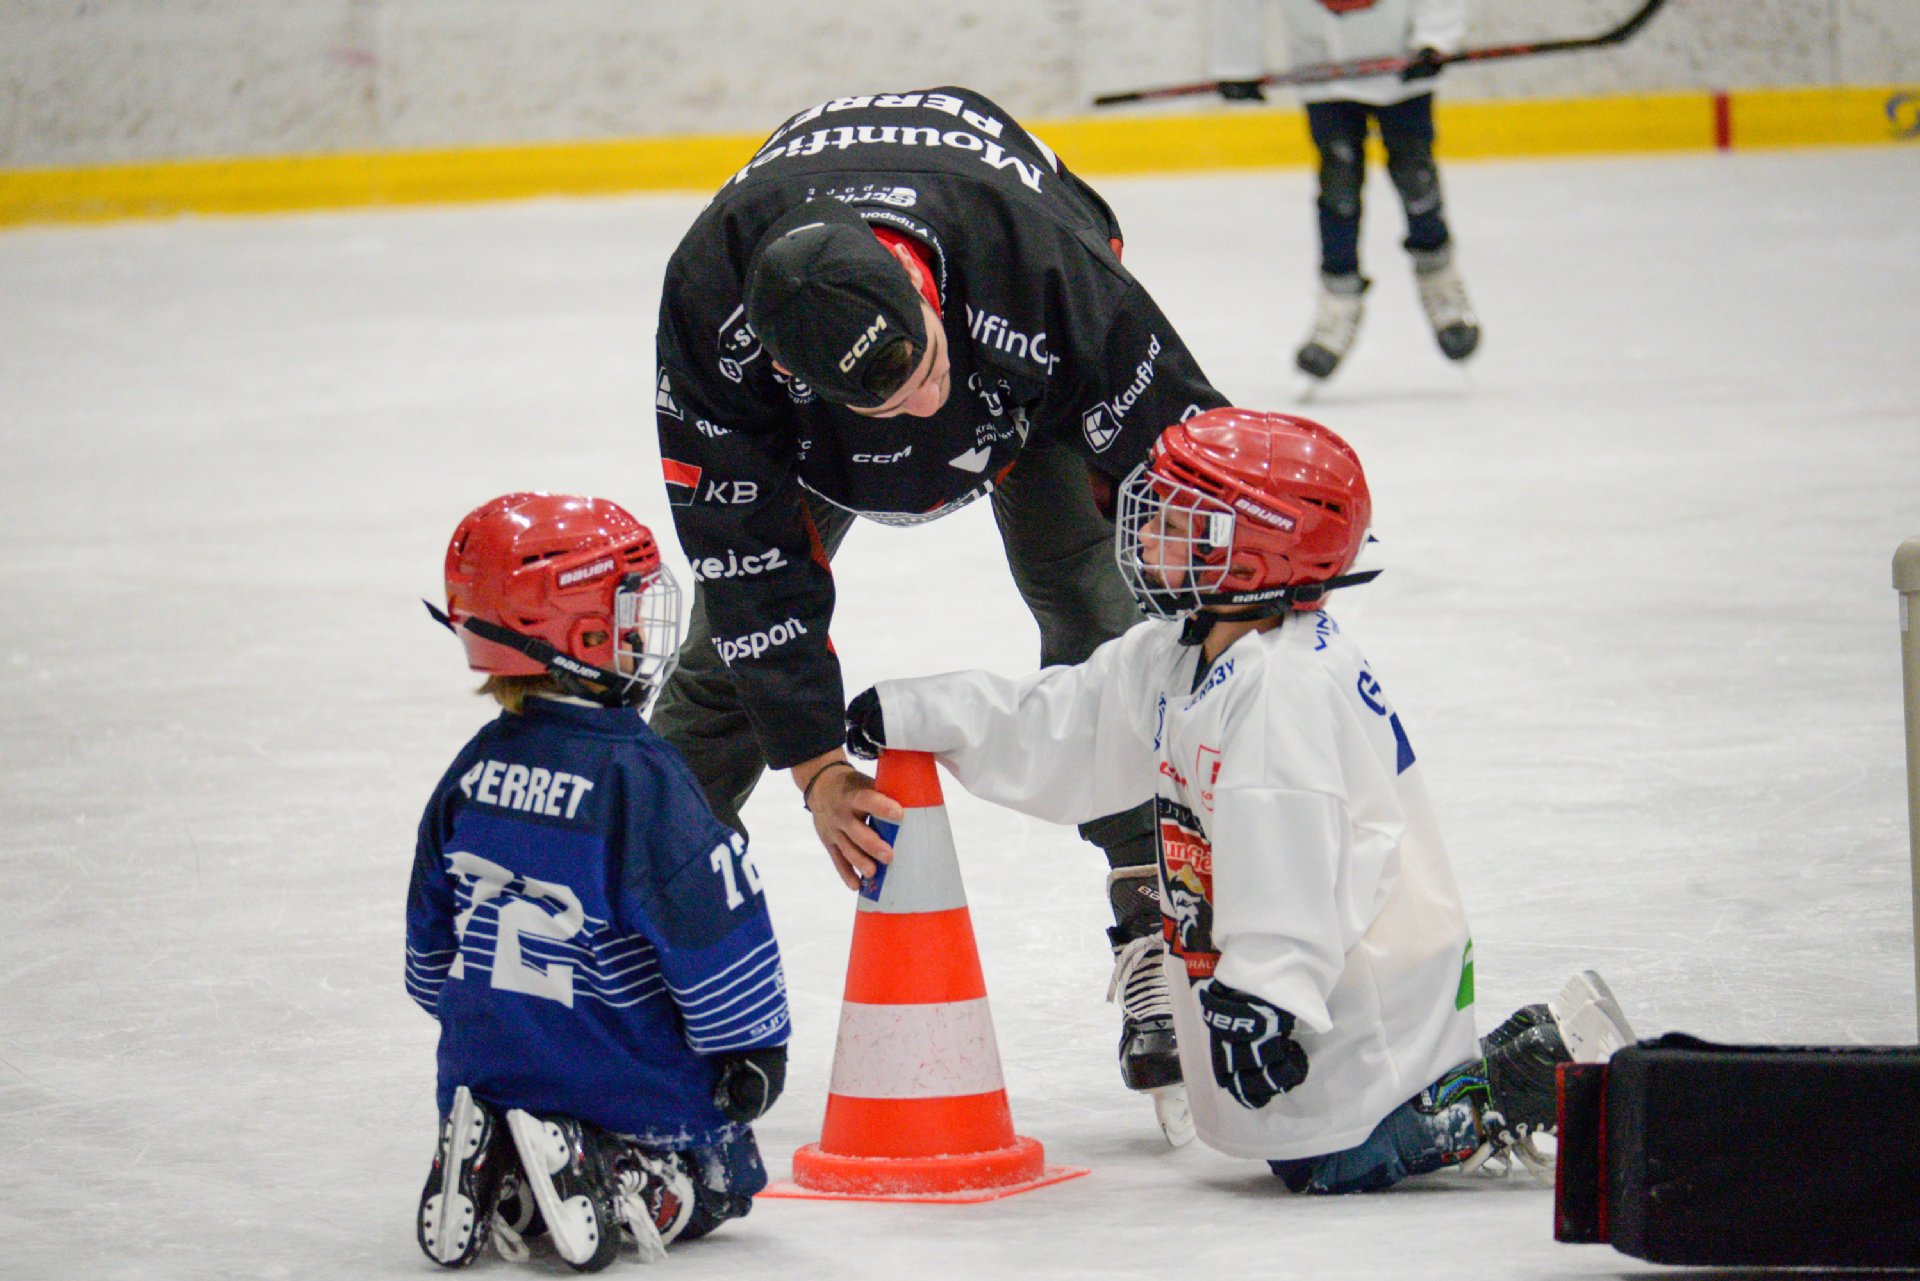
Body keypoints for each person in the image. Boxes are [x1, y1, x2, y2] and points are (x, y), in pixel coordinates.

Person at [842, 409, 1632, 1189]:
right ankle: (1502, 1062)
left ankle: (1510, 1083)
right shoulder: (1190, 650)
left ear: (1255, 555)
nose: (1145, 535)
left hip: (1361, 993)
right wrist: (924, 714)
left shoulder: (1280, 690)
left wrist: (1264, 993)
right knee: (1295, 1142)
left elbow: (1291, 857)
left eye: (1179, 522)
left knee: (1330, 1158)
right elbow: (1070, 726)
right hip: (1329, 966)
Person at [653, 85, 1231, 1131]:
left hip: (1022, 388)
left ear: (921, 284)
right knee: (720, 671)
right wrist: (817, 766)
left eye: (923, 361)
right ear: (786, 370)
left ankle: (1160, 919)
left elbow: (1183, 464)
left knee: (1099, 609)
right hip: (817, 439)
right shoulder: (710, 308)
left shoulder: (1039, 263)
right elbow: (746, 564)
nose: (925, 404)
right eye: (891, 397)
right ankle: (633, 956)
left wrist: (1242, 610)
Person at [409, 493, 790, 1269]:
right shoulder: (640, 778)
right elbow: (712, 927)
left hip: (488, 1064)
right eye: (626, 613)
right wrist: (751, 1045)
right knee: (719, 1180)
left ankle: (503, 1169)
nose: (639, 633)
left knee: (517, 1069)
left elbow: (428, 954)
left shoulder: (472, 770)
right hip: (620, 1075)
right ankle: (614, 1168)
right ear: (579, 635)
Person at [1211, 0, 1482, 379]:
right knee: (1338, 190)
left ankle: (1439, 282)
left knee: (1415, 180)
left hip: (1401, 57)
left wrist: (1435, 39)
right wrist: (1237, 64)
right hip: (1323, 66)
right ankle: (1338, 300)